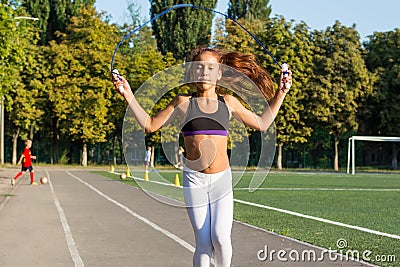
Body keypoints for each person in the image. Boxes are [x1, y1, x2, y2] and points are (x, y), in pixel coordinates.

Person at [112, 46, 292, 267]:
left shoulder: (228, 102)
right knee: (204, 244)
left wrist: (281, 93)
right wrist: (127, 93)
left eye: (210, 68)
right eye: (199, 67)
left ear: (219, 73)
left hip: (221, 181)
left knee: (221, 238)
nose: (204, 72)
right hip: (194, 180)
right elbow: (150, 125)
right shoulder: (182, 102)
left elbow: (263, 123)